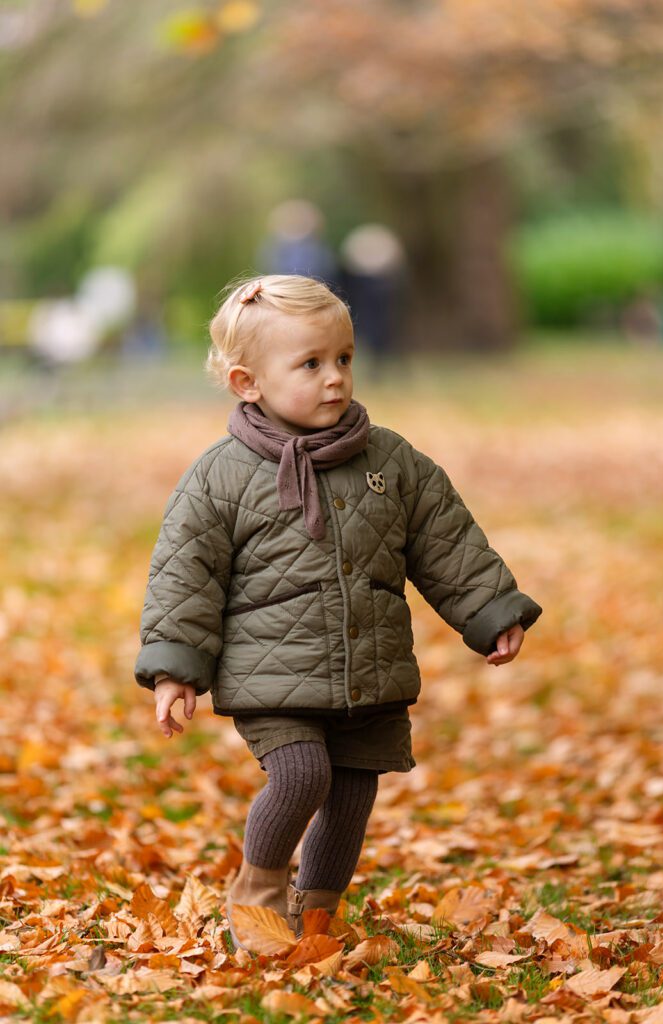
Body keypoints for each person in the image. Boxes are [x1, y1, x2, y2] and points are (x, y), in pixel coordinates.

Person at [133, 274, 542, 950]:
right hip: (272, 676)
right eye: (311, 364)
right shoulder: (221, 477)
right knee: (301, 774)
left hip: (369, 671)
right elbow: (186, 576)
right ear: (247, 382)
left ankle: (317, 913)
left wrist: (488, 608)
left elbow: (444, 541)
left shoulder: (389, 461)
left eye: (344, 359)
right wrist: (175, 670)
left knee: (351, 796)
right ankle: (259, 894)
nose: (335, 378)